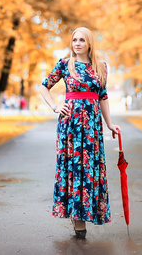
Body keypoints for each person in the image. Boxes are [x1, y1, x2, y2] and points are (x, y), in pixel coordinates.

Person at [39, 27, 121, 239]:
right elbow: (44, 87)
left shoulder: (101, 67)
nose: (77, 43)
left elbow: (102, 97)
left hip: (93, 127)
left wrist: (110, 124)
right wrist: (56, 107)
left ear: (89, 43)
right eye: (74, 39)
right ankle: (78, 222)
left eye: (81, 40)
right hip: (71, 126)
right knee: (75, 169)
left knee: (90, 169)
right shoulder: (65, 64)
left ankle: (87, 214)